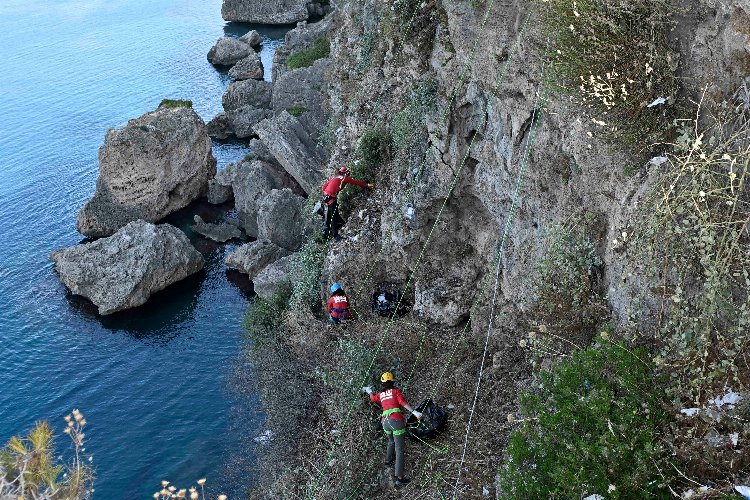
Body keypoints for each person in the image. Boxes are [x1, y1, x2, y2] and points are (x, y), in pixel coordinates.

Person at [363, 372, 422, 488]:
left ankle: (387, 461)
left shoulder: (381, 394)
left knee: (391, 441)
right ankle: (400, 478)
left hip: (385, 422)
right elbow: (402, 402)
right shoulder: (395, 392)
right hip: (396, 421)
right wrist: (414, 412)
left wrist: (369, 391)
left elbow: (373, 399)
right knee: (399, 450)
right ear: (392, 381)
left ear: (382, 383)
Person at [321, 166, 374, 241]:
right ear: (345, 173)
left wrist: (329, 191)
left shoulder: (334, 178)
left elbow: (323, 188)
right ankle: (335, 236)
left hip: (326, 197)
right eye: (347, 172)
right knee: (334, 217)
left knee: (331, 214)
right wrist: (367, 185)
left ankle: (329, 231)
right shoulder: (345, 178)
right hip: (332, 199)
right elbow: (356, 182)